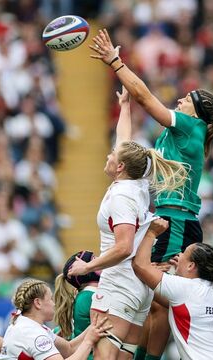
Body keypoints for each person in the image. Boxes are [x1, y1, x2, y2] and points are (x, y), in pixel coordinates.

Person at [90, 28, 213, 360]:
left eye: (186, 99)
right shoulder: (173, 138)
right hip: (167, 217)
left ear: (195, 112)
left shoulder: (190, 128)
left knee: (159, 300)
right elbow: (127, 149)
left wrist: (115, 62)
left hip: (176, 220)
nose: (180, 100)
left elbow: (145, 97)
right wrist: (124, 109)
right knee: (152, 298)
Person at [67, 87, 188, 360]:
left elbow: (123, 247)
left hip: (118, 284)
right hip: (138, 288)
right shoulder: (138, 181)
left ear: (120, 166)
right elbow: (125, 140)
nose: (108, 156)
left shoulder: (122, 196)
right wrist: (124, 106)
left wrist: (89, 266)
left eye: (112, 156)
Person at [132, 218, 213, 360]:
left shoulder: (185, 288)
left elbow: (139, 266)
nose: (178, 256)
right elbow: (160, 297)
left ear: (191, 266)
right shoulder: (212, 290)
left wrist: (151, 233)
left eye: (184, 253)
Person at [0, 278, 111, 360]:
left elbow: (69, 348)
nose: (54, 304)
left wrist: (93, 327)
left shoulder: (27, 325)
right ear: (38, 303)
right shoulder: (33, 333)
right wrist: (89, 341)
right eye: (51, 299)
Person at [53, 251, 100, 342]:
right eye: (94, 259)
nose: (100, 259)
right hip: (93, 355)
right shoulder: (89, 296)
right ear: (85, 273)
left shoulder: (86, 294)